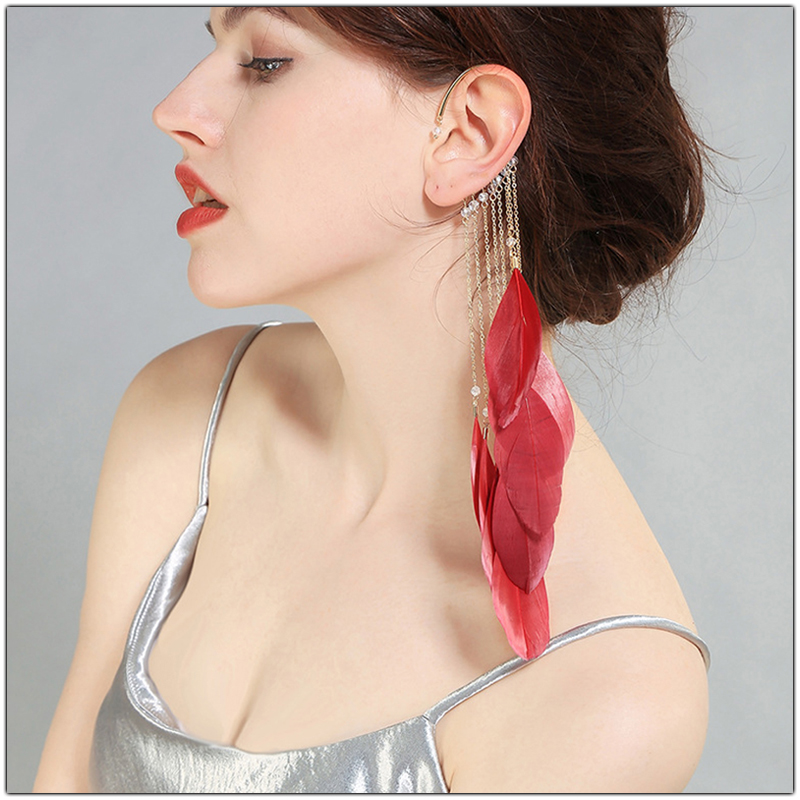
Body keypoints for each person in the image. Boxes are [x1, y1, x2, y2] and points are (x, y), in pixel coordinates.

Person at [34, 7, 710, 793]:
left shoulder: (603, 699)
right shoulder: (185, 418)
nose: (174, 110)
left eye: (264, 61)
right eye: (215, 44)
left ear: (469, 133)